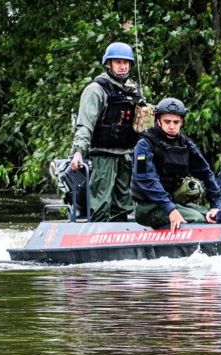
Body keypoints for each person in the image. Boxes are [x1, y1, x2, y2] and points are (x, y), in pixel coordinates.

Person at [69, 42, 145, 222]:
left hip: (126, 156)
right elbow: (85, 125)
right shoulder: (96, 90)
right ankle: (95, 238)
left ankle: (119, 237)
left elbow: (143, 128)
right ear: (109, 64)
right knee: (101, 204)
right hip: (103, 156)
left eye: (126, 62)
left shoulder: (134, 91)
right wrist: (78, 152)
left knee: (124, 205)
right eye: (118, 62)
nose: (123, 66)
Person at [131, 97, 221, 231]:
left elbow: (205, 172)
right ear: (158, 121)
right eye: (167, 121)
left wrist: (217, 205)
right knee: (197, 220)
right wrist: (170, 210)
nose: (172, 126)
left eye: (176, 122)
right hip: (149, 207)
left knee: (212, 217)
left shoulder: (184, 143)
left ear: (182, 122)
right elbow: (146, 179)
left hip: (174, 202)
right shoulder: (145, 144)